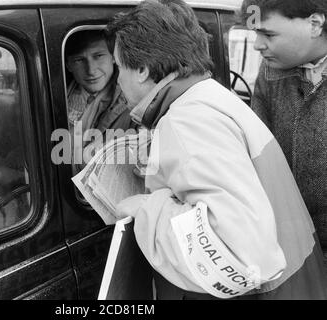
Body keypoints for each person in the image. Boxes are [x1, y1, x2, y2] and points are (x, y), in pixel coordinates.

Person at [106, 0, 327, 299]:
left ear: (143, 69)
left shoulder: (187, 120)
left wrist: (147, 210)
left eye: (118, 67)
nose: (117, 79)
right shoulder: (210, 97)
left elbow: (241, 254)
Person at [239, 0, 327, 261]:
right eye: (255, 34)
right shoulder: (269, 73)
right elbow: (256, 152)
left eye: (267, 34)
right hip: (290, 244)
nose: (257, 45)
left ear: (314, 24)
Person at [65, 30, 135, 165]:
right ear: (68, 65)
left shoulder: (133, 103)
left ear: (114, 57)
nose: (91, 70)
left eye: (98, 56)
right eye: (79, 60)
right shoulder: (50, 96)